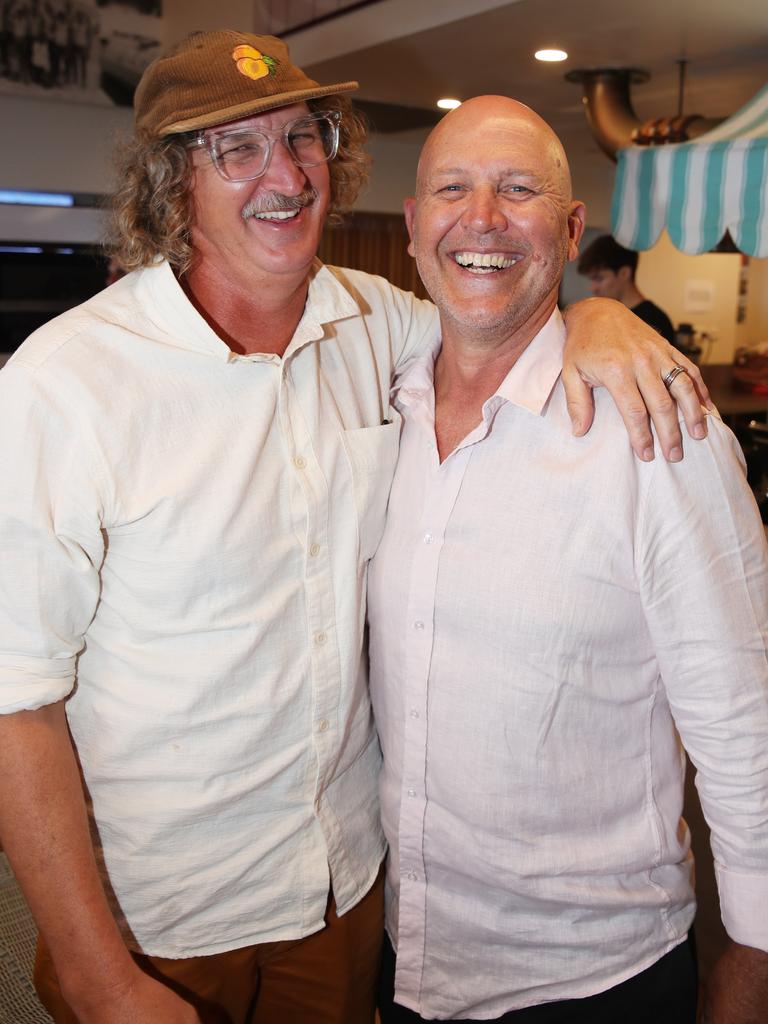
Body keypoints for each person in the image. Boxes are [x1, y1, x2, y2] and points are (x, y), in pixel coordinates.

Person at [0, 30, 709, 1024]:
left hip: (347, 894)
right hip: (161, 917)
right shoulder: (66, 386)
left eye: (303, 135)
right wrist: (101, 979)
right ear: (172, 184)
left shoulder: (380, 324)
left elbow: (505, 313)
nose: (284, 173)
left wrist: (601, 315)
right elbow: (14, 701)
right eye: (233, 149)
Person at [368, 96, 768, 1023]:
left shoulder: (659, 434)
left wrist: (748, 974)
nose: (482, 220)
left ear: (572, 227)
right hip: (407, 947)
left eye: (519, 191)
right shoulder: (375, 397)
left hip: (592, 975)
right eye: (452, 190)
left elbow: (745, 730)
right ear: (415, 225)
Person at [578, 233, 676, 342]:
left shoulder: (655, 322)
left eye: (599, 279)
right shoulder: (606, 316)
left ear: (624, 273)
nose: (593, 288)